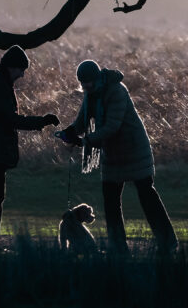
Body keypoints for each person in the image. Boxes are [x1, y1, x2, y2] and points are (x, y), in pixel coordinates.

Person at [56, 60, 178, 254]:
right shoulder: (90, 96)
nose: (85, 87)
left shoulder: (117, 91)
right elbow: (81, 122)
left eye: (88, 82)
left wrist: (85, 141)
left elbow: (112, 127)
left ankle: (168, 242)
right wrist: (69, 132)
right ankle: (118, 247)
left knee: (147, 196)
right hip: (112, 155)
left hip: (134, 150)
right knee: (110, 201)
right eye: (82, 83)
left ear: (96, 79)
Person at [0, 45, 59, 249]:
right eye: (21, 69)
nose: (23, 75)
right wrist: (41, 122)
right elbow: (10, 119)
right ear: (12, 67)